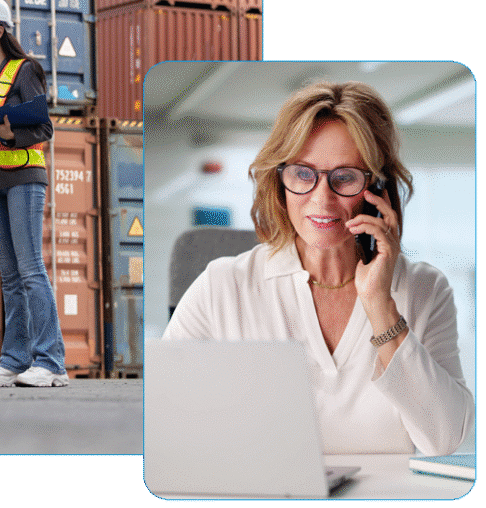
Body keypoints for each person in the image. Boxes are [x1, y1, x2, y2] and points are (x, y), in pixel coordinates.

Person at [164, 81, 474, 455]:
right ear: (279, 181)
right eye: (303, 173)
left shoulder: (426, 290)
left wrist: (380, 305)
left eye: (345, 177)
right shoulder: (222, 287)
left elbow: (446, 441)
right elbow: (168, 428)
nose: (322, 199)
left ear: (377, 189)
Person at [0, 0, 68, 387]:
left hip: (23, 178)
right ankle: (14, 360)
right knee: (9, 277)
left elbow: (44, 129)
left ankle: (51, 362)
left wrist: (8, 133)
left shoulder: (26, 70)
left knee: (30, 270)